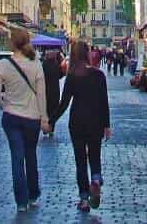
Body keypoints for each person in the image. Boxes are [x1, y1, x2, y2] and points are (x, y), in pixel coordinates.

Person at [50, 41, 111, 212]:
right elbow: (103, 102)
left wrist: (51, 121)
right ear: (87, 54)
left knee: (80, 161)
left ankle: (84, 199)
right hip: (96, 122)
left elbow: (64, 103)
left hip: (77, 122)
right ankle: (96, 180)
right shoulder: (99, 75)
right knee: (95, 155)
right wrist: (107, 126)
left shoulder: (72, 76)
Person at [0, 28, 49, 212]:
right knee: (31, 155)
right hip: (32, 117)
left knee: (17, 158)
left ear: (12, 43)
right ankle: (33, 194)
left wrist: (3, 106)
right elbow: (41, 94)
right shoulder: (36, 64)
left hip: (11, 117)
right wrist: (44, 118)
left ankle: (21, 202)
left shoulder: (3, 64)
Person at [41, 50, 63, 138]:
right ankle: (51, 128)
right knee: (53, 110)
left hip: (45, 91)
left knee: (46, 110)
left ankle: (45, 128)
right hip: (55, 91)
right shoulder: (56, 65)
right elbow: (61, 75)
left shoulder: (44, 65)